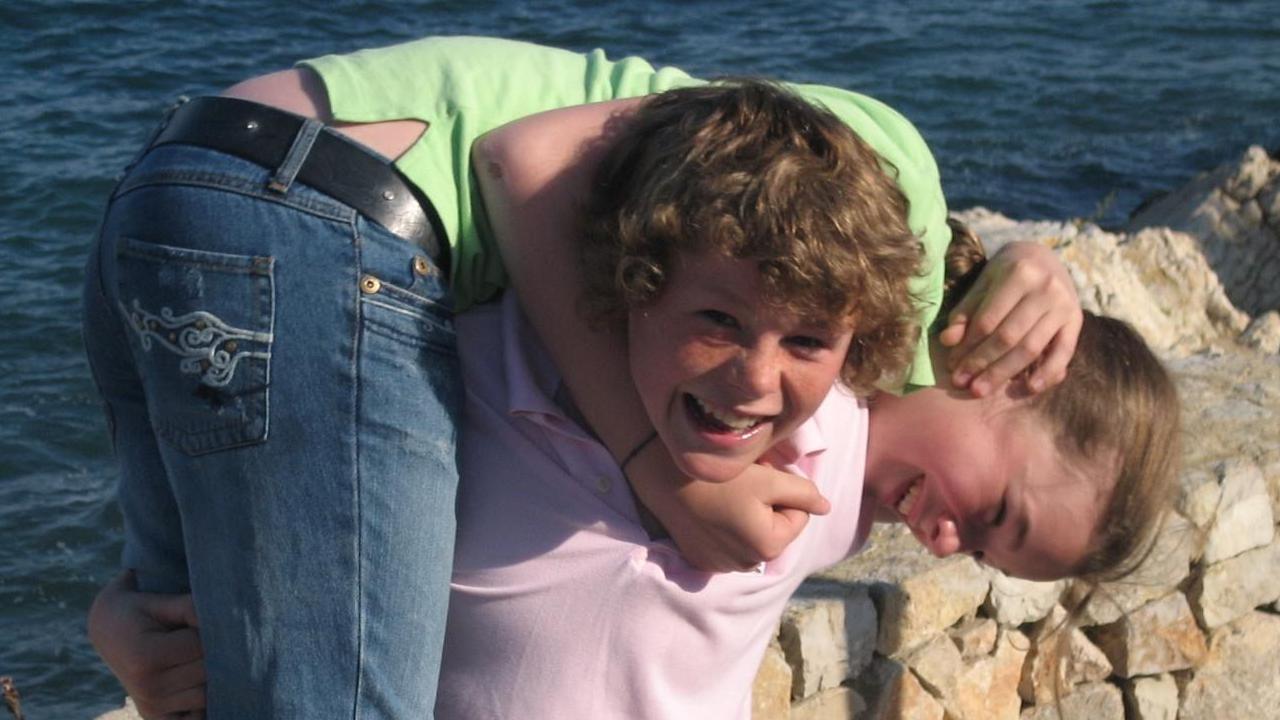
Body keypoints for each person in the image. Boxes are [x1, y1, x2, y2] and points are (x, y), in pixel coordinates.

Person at [87, 81, 1175, 719]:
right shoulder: (735, 389)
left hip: (185, 191)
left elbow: (341, 434)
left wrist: (137, 610)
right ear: (1010, 371)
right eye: (990, 515)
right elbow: (527, 168)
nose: (942, 540)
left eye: (977, 555)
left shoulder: (786, 461)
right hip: (325, 202)